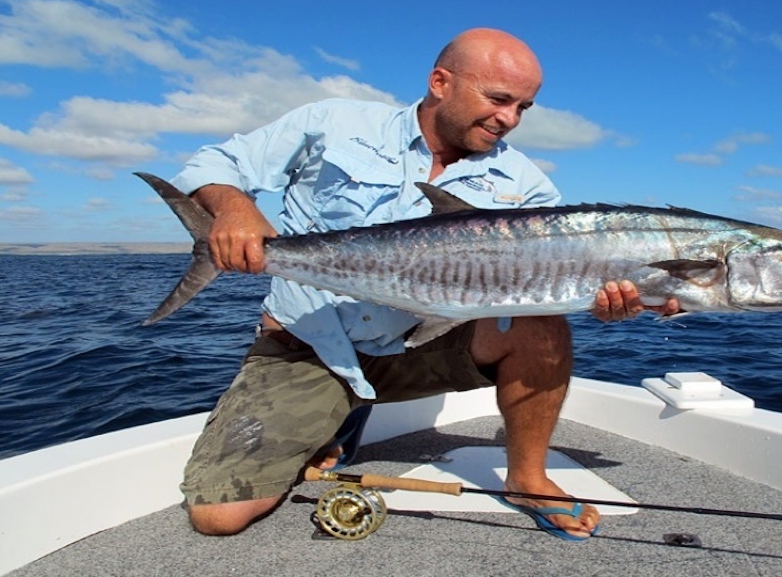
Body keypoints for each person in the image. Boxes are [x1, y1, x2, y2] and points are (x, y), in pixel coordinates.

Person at [171, 27, 679, 540]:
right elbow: (213, 164)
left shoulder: (526, 184)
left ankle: (526, 478)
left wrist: (618, 299)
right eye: (498, 99)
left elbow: (550, 280)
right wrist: (233, 209)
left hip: (421, 343)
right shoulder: (335, 123)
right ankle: (334, 414)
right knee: (219, 517)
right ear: (440, 82)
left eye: (523, 107)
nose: (509, 119)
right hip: (310, 346)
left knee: (541, 325)